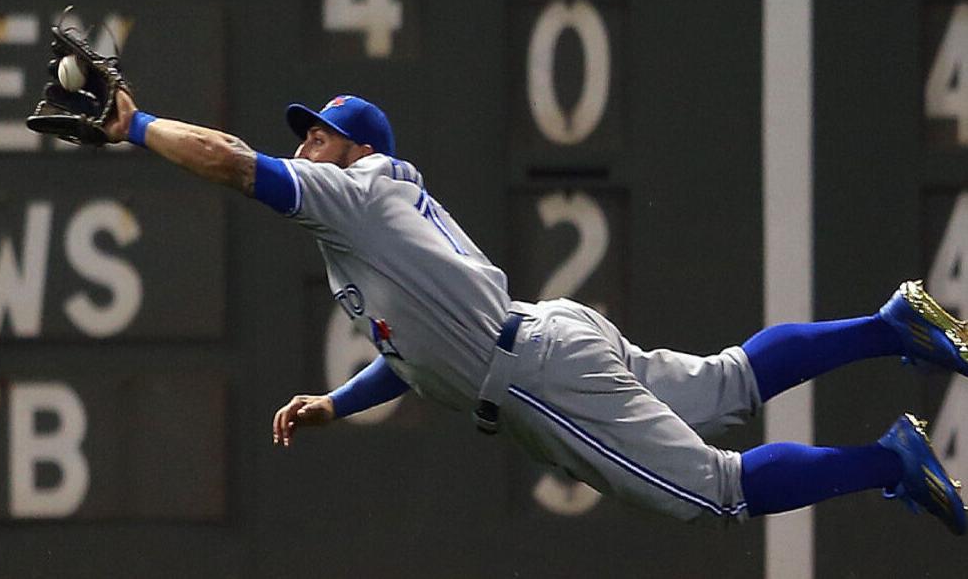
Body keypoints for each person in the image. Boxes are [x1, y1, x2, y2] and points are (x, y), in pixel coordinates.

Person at [101, 91, 968, 534]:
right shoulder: (378, 221)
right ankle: (893, 324)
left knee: (716, 493)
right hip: (545, 338)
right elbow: (411, 349)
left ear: (361, 149)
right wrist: (337, 401)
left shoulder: (351, 196)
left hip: (534, 373)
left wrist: (133, 125)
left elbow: (225, 159)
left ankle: (888, 463)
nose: (304, 147)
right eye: (304, 135)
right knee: (728, 381)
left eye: (318, 135)